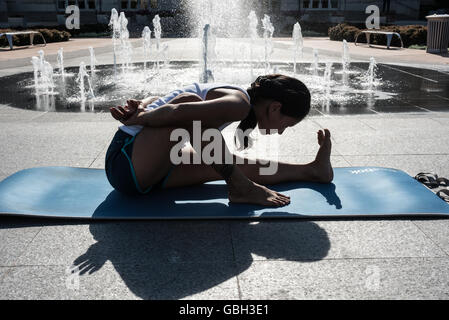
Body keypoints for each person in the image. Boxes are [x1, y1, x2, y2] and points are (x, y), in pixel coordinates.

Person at [106, 74, 333, 207]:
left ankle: (312, 171)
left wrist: (144, 104)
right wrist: (142, 115)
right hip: (124, 162)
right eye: (287, 124)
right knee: (191, 104)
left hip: (151, 172)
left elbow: (161, 99)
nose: (282, 132)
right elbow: (178, 107)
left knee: (228, 162)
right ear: (275, 108)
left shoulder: (233, 99)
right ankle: (240, 187)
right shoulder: (239, 103)